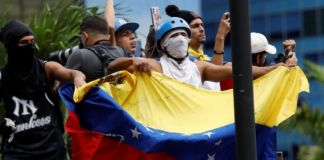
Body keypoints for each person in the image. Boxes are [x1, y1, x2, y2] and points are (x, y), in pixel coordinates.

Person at [107, 17, 296, 88]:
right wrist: (131, 62)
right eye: (174, 36)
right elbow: (111, 67)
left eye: (183, 34)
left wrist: (279, 67)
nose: (180, 38)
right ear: (162, 45)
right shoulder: (156, 66)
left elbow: (241, 70)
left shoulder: (200, 68)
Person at [0, 20, 86, 160]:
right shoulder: (2, 76)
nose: (30, 46)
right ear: (11, 46)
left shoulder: (47, 69)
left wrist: (78, 79)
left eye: (32, 41)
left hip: (50, 148)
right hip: (17, 150)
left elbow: (73, 73)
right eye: (24, 42)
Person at [63, 15, 133, 83]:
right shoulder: (126, 54)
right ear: (108, 37)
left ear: (85, 36)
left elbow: (62, 88)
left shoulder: (79, 55)